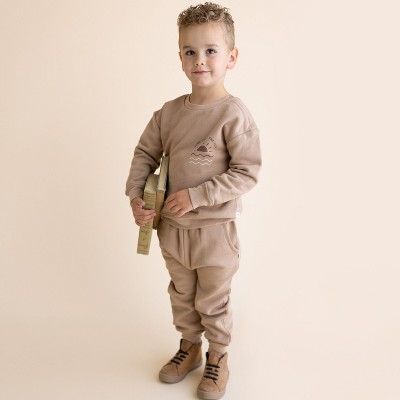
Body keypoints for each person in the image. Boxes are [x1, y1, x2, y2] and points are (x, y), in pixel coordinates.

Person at [126, 3, 261, 399]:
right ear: (181, 57)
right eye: (190, 51)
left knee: (212, 299)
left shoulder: (234, 115)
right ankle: (190, 347)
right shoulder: (168, 114)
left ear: (231, 57)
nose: (199, 60)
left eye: (211, 50)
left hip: (215, 233)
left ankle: (218, 355)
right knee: (182, 294)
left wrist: (198, 195)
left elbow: (247, 172)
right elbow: (144, 155)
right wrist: (137, 196)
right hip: (172, 230)